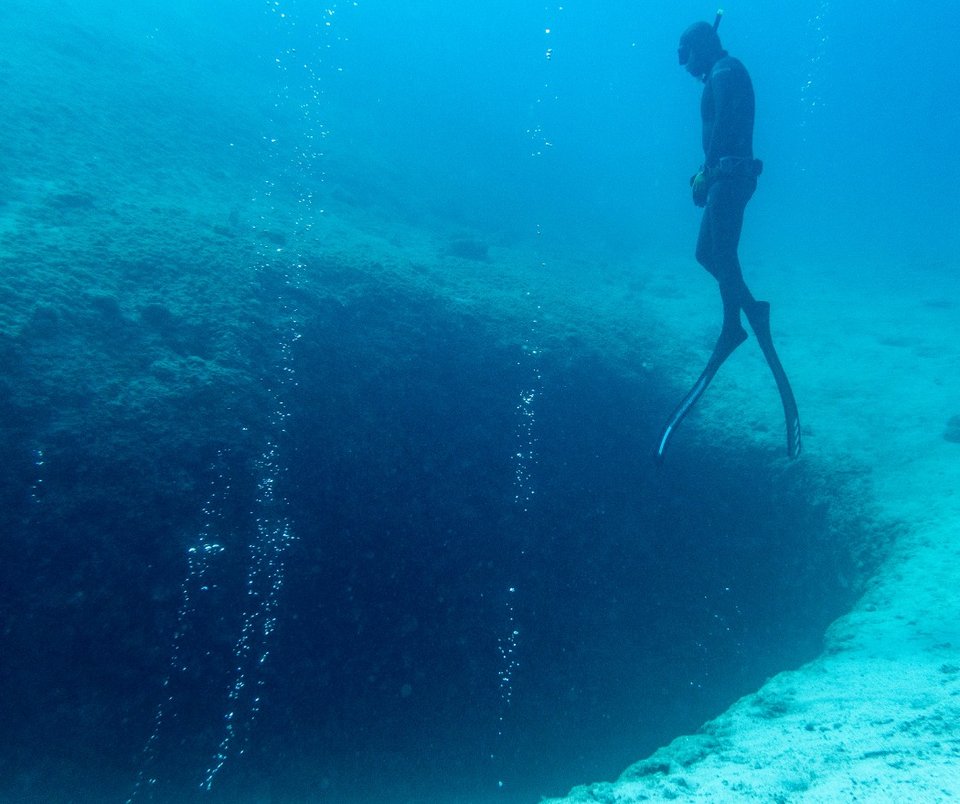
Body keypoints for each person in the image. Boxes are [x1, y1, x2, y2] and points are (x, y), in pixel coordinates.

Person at [655, 12, 801, 463]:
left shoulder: (724, 69)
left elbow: (725, 126)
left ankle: (733, 325)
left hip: (729, 177)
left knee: (721, 250)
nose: (687, 68)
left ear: (701, 46)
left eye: (687, 57)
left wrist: (706, 171)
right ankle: (748, 311)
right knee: (707, 252)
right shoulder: (721, 71)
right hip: (727, 176)